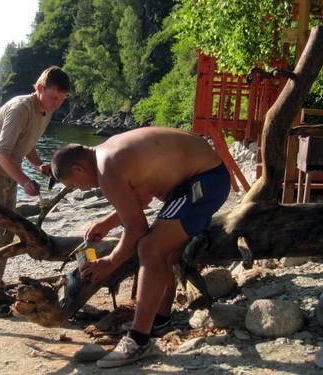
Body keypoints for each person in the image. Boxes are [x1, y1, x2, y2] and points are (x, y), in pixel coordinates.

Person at [50, 127, 230, 368]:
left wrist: (111, 262)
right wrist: (106, 223)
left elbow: (136, 229)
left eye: (75, 185)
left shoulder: (107, 170)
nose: (82, 189)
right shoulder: (109, 150)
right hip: (200, 179)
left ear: (78, 168)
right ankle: (159, 321)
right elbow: (142, 198)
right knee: (163, 251)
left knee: (149, 248)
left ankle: (138, 340)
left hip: (204, 182)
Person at [0, 66, 70, 317]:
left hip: (7, 170)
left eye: (62, 100)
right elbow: (1, 152)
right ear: (39, 89)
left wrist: (37, 164)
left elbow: (26, 143)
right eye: (53, 97)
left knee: (7, 229)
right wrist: (25, 181)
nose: (57, 104)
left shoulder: (45, 109)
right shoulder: (20, 108)